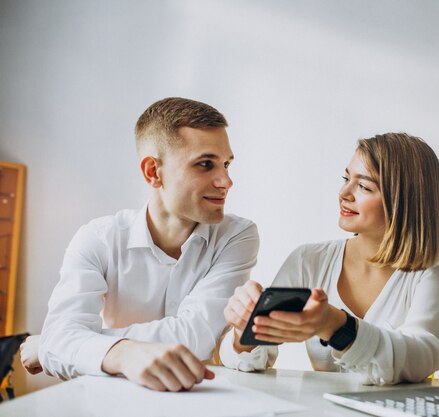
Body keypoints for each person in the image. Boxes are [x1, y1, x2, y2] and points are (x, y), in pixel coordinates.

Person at [19, 97, 259, 392]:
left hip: (202, 401)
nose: (226, 181)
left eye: (226, 164)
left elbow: (196, 339)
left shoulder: (237, 236)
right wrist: (121, 353)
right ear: (152, 172)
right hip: (111, 402)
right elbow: (62, 337)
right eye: (205, 164)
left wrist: (66, 344)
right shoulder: (98, 238)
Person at [220, 133, 439, 385]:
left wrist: (338, 326)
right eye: (346, 179)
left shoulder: (438, 262)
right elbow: (249, 359)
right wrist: (243, 329)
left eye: (364, 186)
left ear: (405, 201)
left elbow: (424, 355)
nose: (344, 193)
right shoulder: (308, 260)